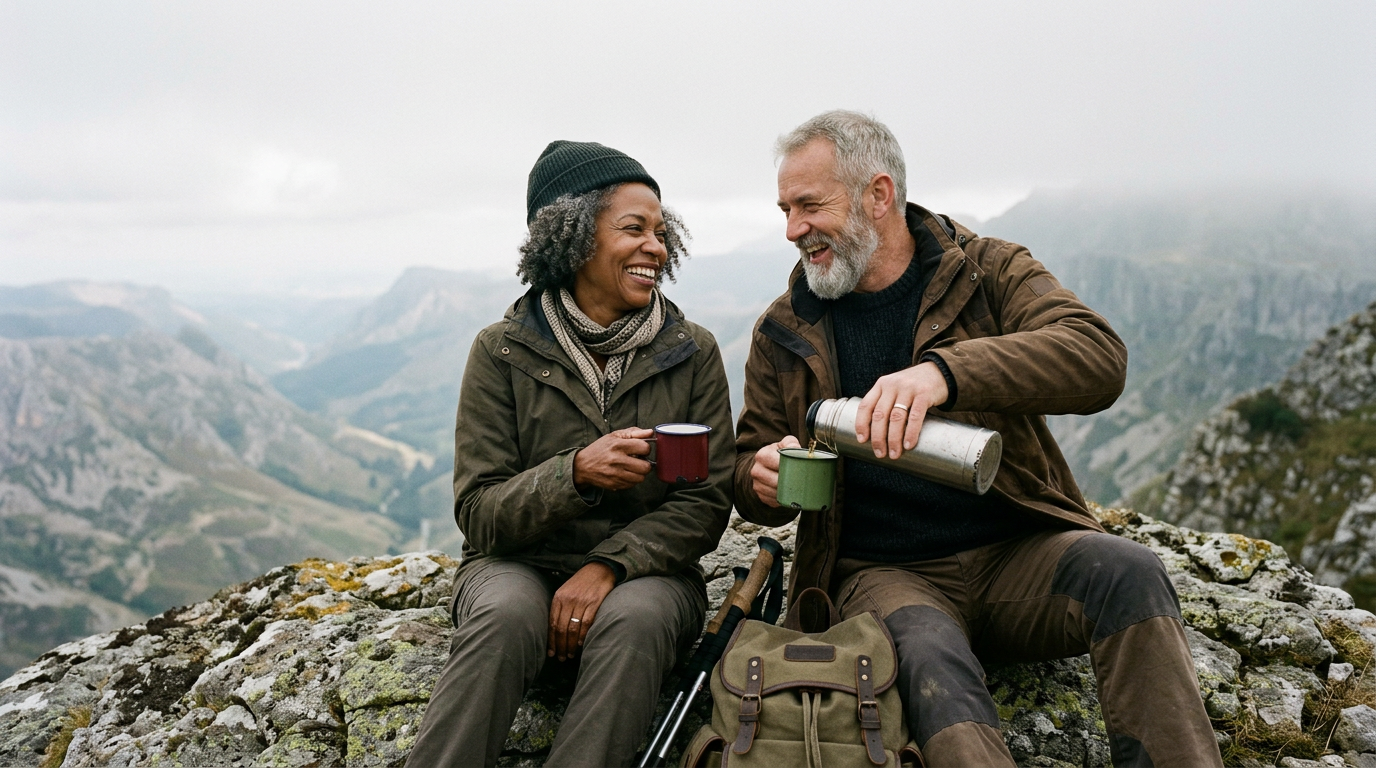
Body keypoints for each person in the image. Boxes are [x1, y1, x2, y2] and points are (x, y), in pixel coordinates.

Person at [735, 111, 1221, 767]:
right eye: (785, 209)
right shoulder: (784, 331)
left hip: (1016, 554)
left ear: (878, 195)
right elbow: (750, 473)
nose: (793, 229)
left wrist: (946, 375)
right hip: (886, 575)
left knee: (1129, 571)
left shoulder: (989, 271)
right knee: (927, 652)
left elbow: (1098, 359)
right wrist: (760, 478)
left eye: (808, 206)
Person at [407, 141, 734, 767]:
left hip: (647, 576)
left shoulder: (691, 352)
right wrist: (575, 474)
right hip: (516, 565)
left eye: (662, 233)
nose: (656, 248)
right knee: (504, 616)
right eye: (633, 229)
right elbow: (479, 511)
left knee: (635, 622)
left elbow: (706, 500)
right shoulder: (500, 351)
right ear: (573, 237)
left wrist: (609, 565)